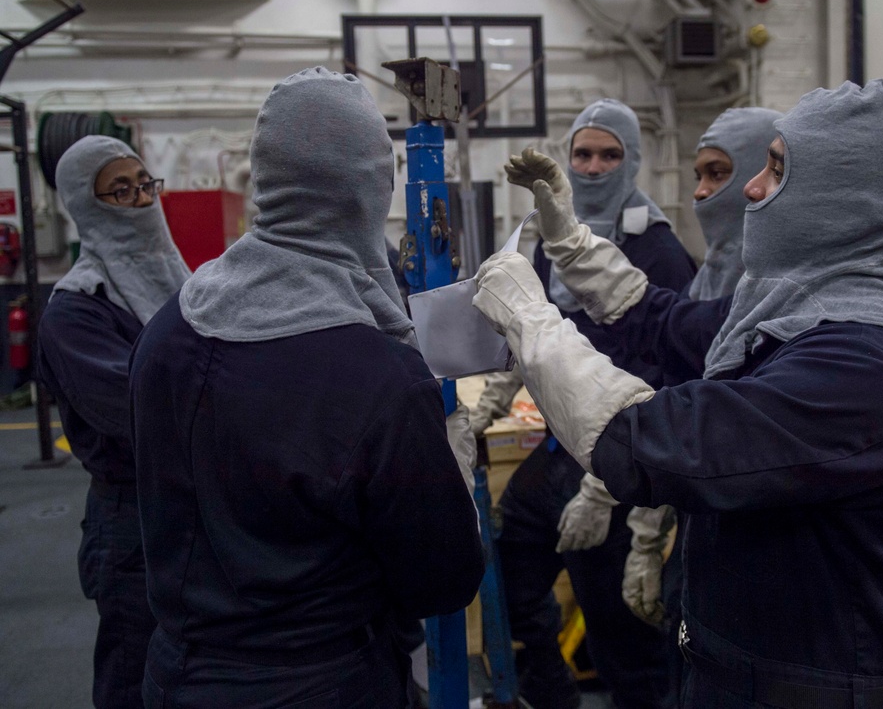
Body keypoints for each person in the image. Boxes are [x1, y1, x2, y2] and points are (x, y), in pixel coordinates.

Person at [474, 78, 883, 708]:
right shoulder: (795, 304)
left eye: (777, 169)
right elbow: (663, 320)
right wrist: (571, 241)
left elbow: (654, 441)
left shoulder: (862, 362)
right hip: (748, 660)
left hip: (808, 684)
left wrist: (530, 320)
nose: (751, 188)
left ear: (838, 198)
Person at [128, 67, 485, 709]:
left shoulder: (168, 329)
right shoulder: (379, 376)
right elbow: (442, 579)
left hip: (173, 673)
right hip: (323, 682)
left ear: (266, 177)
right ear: (372, 188)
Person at [470, 98, 696, 709]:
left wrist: (602, 490)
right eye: (583, 153)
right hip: (562, 442)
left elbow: (672, 374)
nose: (594, 167)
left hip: (626, 452)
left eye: (610, 154)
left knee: (616, 630)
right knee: (513, 556)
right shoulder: (548, 240)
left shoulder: (659, 251)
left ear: (633, 163)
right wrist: (481, 414)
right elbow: (529, 336)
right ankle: (550, 694)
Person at [36, 135, 191, 709]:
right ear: (85, 205)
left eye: (144, 185)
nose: (139, 202)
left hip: (193, 505)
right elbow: (136, 408)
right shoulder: (77, 310)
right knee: (136, 668)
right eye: (118, 192)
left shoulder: (184, 285)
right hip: (132, 521)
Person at [689, 107, 782, 300]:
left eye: (716, 174)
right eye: (699, 177)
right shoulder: (707, 275)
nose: (699, 192)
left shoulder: (777, 287)